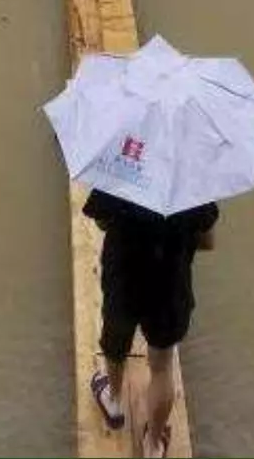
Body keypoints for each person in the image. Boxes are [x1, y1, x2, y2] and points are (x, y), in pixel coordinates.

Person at [82, 189, 218, 459]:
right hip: (169, 286)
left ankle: (114, 401)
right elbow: (208, 242)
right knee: (162, 366)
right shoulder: (195, 186)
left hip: (124, 279)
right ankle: (154, 444)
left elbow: (101, 221)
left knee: (115, 345)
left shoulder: (122, 172)